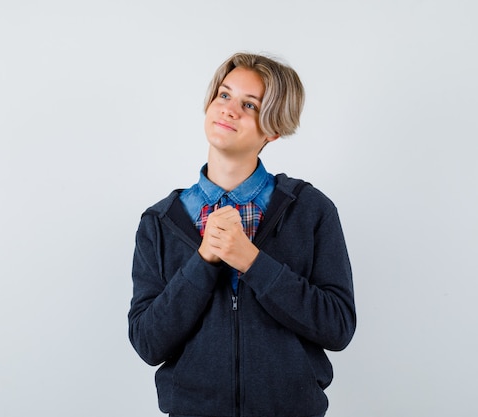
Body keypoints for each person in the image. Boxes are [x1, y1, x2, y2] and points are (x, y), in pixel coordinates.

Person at [128, 52, 356, 417]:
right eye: (224, 95)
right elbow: (147, 342)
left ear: (274, 128)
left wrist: (252, 261)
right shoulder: (159, 222)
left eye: (249, 104)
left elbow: (338, 327)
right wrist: (203, 262)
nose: (229, 110)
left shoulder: (312, 210)